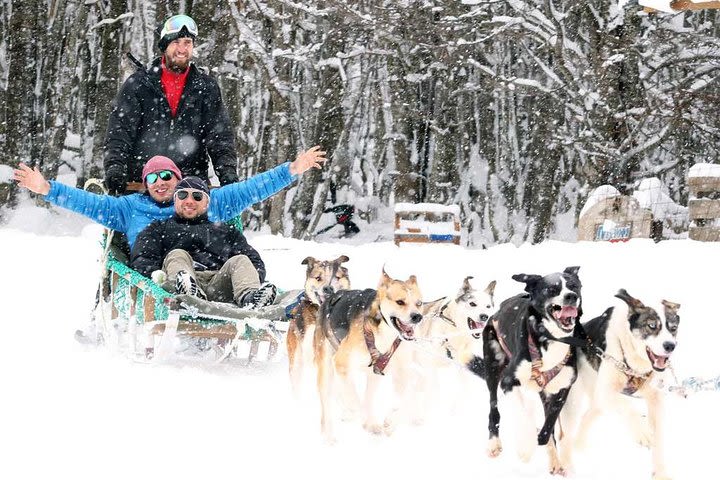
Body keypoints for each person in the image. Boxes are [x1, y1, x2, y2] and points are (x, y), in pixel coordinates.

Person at [13, 146, 326, 249]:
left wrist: (292, 169)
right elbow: (88, 202)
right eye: (152, 177)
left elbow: (252, 188)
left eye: (167, 176)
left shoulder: (200, 199)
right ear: (146, 184)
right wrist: (48, 189)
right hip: (156, 273)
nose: (160, 182)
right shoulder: (129, 208)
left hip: (204, 267)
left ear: (178, 180)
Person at [103, 14, 240, 194]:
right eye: (176, 42)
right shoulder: (138, 85)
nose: (182, 49)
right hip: (144, 183)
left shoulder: (206, 88)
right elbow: (120, 132)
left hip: (190, 190)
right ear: (164, 45)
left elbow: (220, 137)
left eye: (187, 43)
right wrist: (115, 169)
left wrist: (227, 173)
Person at [131, 177, 277, 310]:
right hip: (179, 279)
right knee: (177, 254)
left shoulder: (226, 231)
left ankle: (250, 299)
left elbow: (253, 261)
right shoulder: (158, 228)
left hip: (219, 283)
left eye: (197, 196)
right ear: (175, 200)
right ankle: (189, 296)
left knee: (241, 260)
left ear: (206, 203)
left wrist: (253, 279)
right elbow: (143, 258)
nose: (189, 201)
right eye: (182, 195)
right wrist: (156, 278)